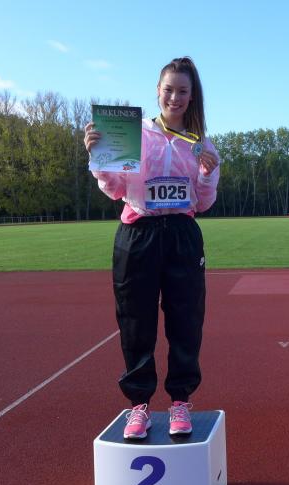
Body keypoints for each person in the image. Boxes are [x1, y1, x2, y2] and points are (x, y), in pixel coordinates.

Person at [84, 57, 221, 438]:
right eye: (168, 90)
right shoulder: (135, 134)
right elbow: (116, 190)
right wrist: (99, 161)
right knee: (135, 320)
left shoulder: (202, 144)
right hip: (138, 233)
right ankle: (138, 406)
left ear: (192, 97)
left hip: (181, 234)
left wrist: (206, 175)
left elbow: (203, 202)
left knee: (186, 319)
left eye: (182, 91)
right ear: (157, 91)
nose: (174, 97)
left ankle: (180, 401)